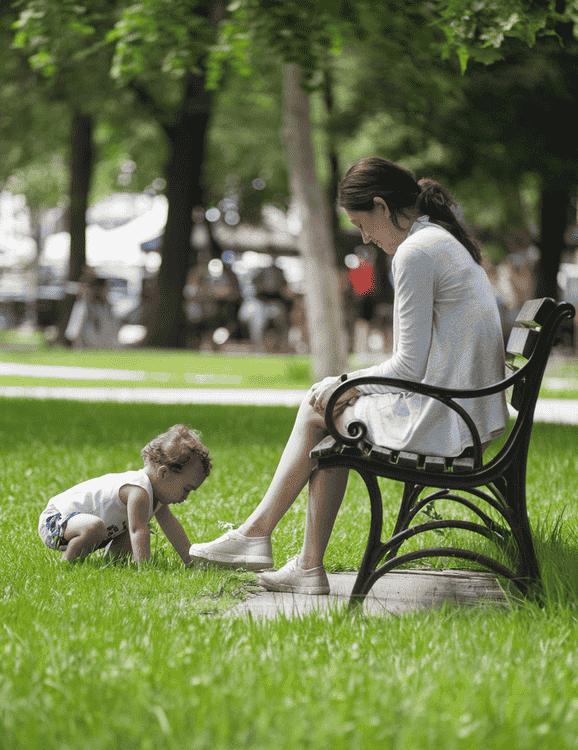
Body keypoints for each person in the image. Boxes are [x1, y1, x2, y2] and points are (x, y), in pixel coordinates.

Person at [189, 157, 509, 594]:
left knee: (321, 404)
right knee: (332, 416)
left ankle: (259, 537)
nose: (365, 238)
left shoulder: (415, 253)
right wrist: (346, 386)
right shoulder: (437, 239)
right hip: (466, 413)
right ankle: (293, 558)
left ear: (382, 206)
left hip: (450, 421)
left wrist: (343, 383)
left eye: (362, 223)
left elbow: (408, 366)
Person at [38, 424, 211, 565]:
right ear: (163, 473)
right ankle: (67, 563)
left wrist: (191, 561)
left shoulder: (157, 498)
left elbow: (172, 529)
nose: (186, 497)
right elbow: (138, 531)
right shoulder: (138, 490)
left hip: (89, 529)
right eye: (186, 489)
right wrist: (144, 567)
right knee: (102, 526)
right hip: (56, 521)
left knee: (127, 533)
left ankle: (112, 564)